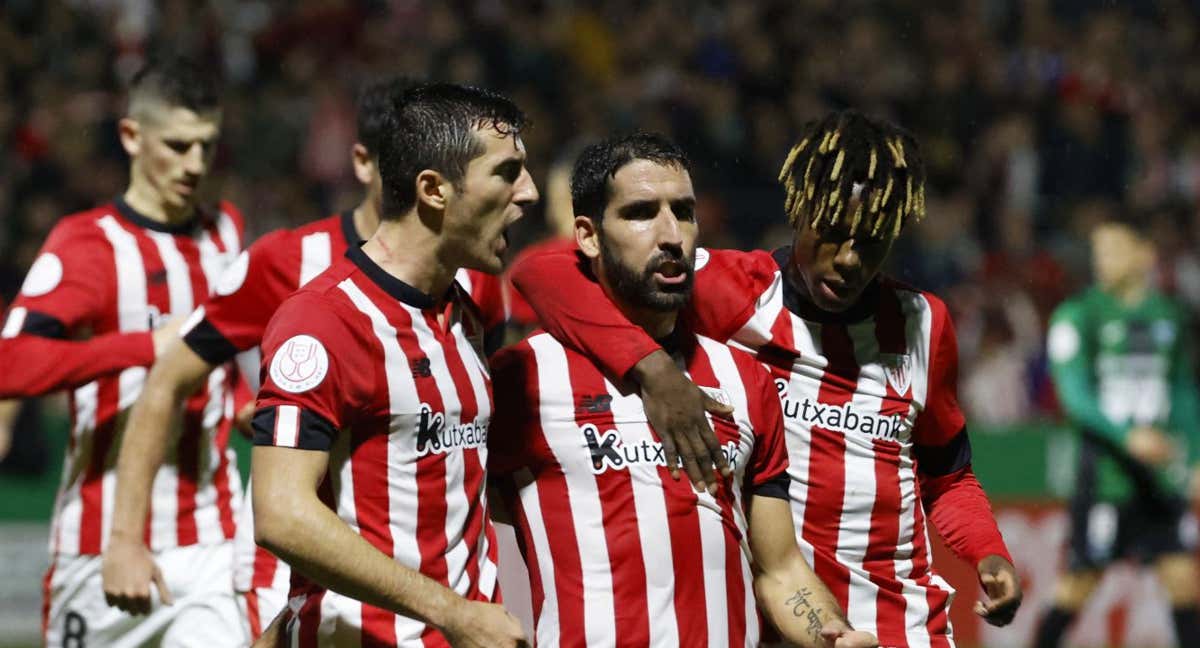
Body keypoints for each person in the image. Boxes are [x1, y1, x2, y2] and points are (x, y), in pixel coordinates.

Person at [510, 110, 1023, 646]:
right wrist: (653, 368)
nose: (849, 259)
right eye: (833, 233)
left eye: (870, 241)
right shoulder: (729, 290)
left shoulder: (923, 322)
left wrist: (987, 550)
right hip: (782, 617)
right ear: (799, 209)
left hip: (902, 624)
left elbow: (945, 474)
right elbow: (539, 271)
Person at [97, 77, 517, 641]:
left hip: (446, 610)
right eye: (508, 174)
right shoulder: (292, 270)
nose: (528, 194)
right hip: (306, 582)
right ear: (373, 165)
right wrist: (125, 538)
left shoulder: (472, 292)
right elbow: (170, 379)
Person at [490, 132, 877, 648]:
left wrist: (832, 635)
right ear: (586, 235)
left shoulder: (746, 379)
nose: (671, 234)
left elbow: (781, 569)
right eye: (641, 213)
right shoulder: (525, 377)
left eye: (684, 211)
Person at [250, 82, 538, 647]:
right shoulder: (323, 322)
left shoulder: (466, 314)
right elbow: (280, 513)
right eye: (506, 173)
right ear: (433, 189)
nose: (526, 193)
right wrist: (451, 611)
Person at [0, 56, 247, 646]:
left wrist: (247, 404)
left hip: (213, 536)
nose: (194, 165)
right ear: (132, 136)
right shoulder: (88, 244)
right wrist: (143, 346)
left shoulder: (226, 231)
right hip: (100, 536)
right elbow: (10, 365)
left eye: (207, 148)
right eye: (179, 145)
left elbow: (224, 366)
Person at [1033, 215, 1200, 648]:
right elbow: (1075, 395)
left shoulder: (1170, 314)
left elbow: (1181, 389)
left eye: (1114, 249)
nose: (1102, 260)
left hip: (1160, 475)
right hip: (1107, 474)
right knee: (1079, 584)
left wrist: (1196, 456)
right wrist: (1129, 437)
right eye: (1098, 251)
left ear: (1145, 254)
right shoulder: (1079, 315)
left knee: (1183, 580)